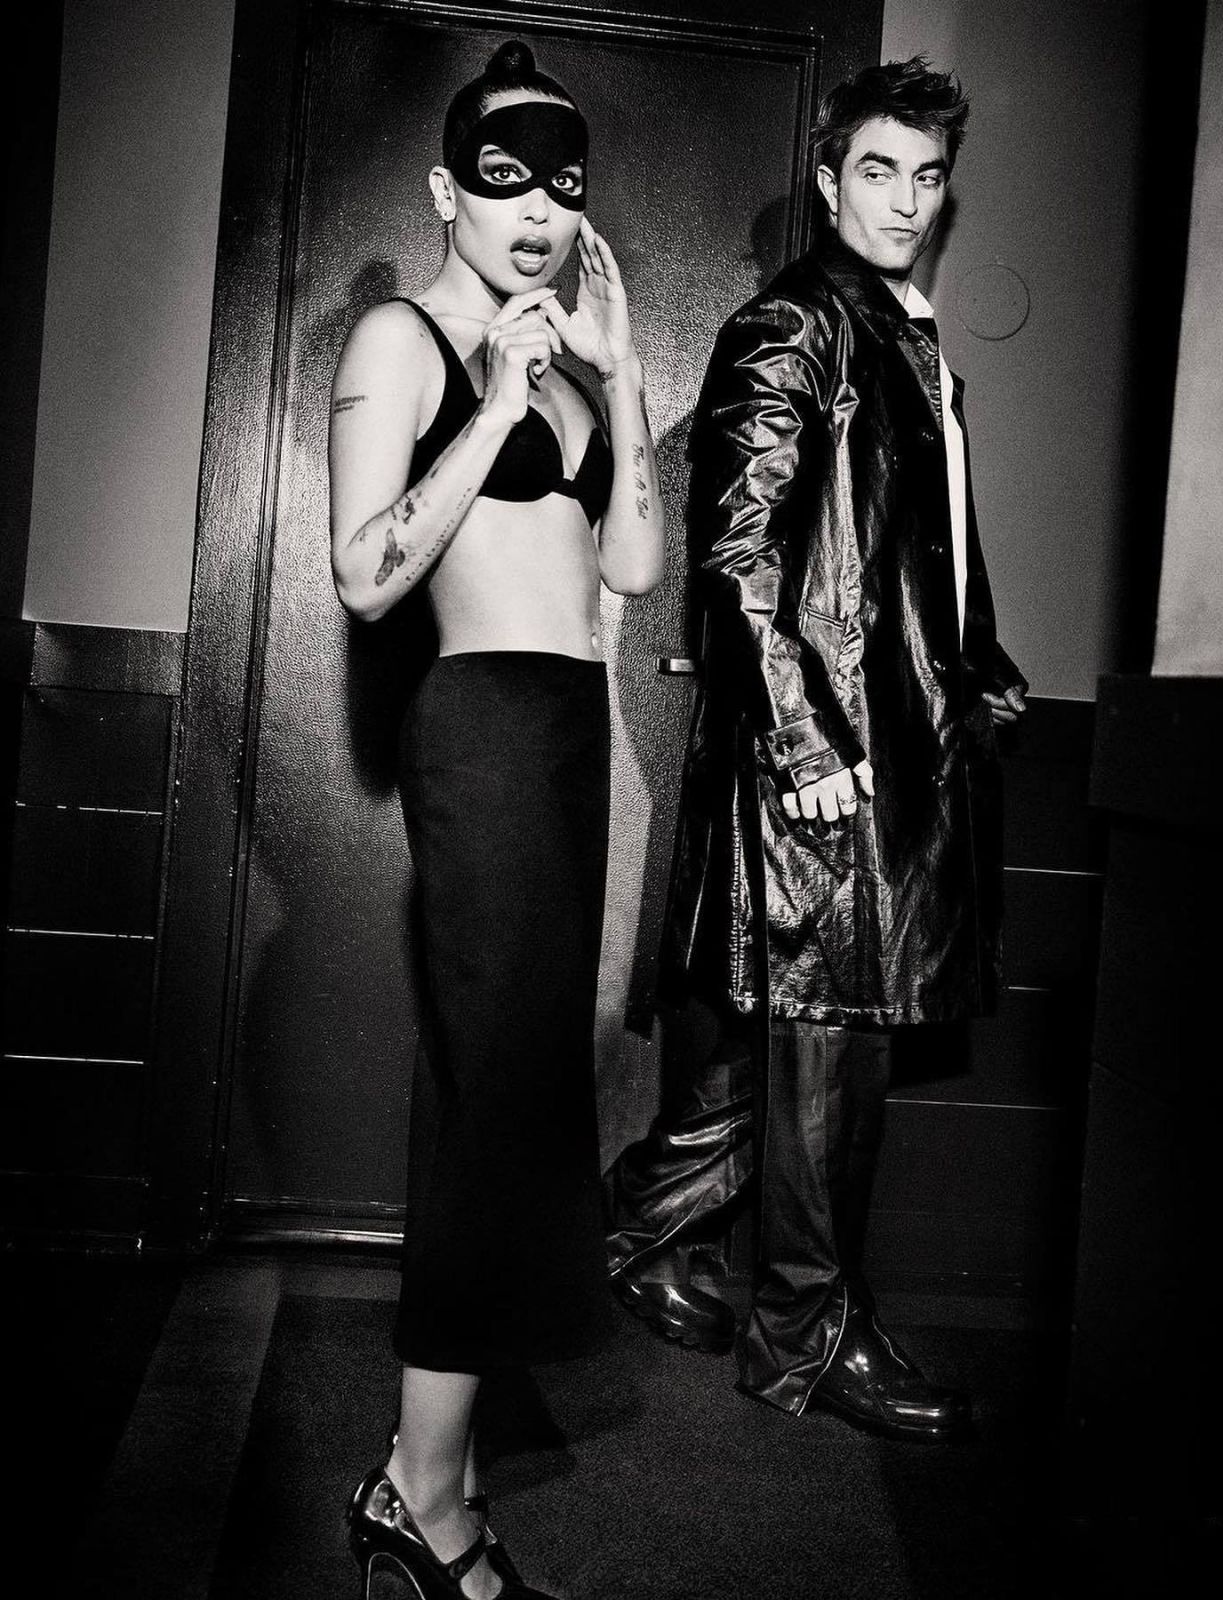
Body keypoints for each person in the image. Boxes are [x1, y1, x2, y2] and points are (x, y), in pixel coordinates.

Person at [605, 57, 1027, 1441]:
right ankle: (809, 1335)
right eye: (879, 171)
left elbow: (922, 545)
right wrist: (802, 738)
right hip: (828, 751)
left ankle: (626, 1234)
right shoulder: (795, 325)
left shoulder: (907, 336)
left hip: (893, 743)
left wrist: (979, 667)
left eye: (929, 175)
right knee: (830, 1053)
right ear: (830, 178)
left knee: (796, 1049)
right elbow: (737, 555)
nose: (906, 199)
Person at [328, 40, 663, 1600]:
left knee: (521, 1102)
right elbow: (364, 574)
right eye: (506, 182)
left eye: (563, 187)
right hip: (477, 737)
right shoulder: (399, 341)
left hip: (567, 742)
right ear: (446, 192)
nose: (538, 214)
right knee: (486, 1108)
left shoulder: (578, 366)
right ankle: (417, 1494)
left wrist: (622, 373)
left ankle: (432, 1472)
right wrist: (501, 402)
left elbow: (634, 571)